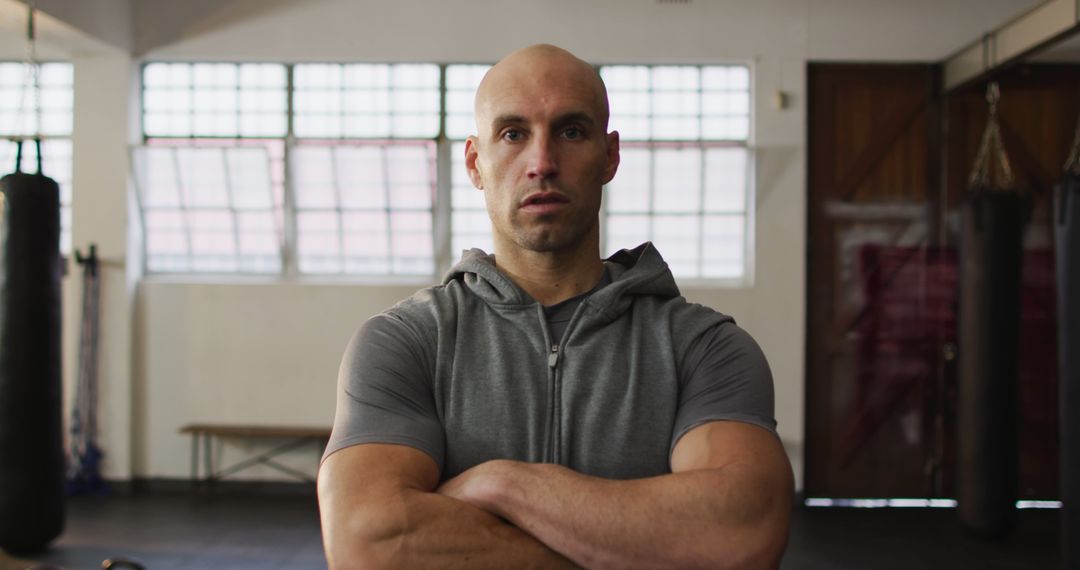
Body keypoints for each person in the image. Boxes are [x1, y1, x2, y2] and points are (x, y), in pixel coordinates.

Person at [318, 44, 793, 569]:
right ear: (476, 162)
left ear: (609, 157)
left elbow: (741, 534)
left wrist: (503, 484)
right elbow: (369, 543)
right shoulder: (406, 341)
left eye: (570, 132)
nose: (541, 163)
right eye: (513, 134)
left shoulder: (705, 349)